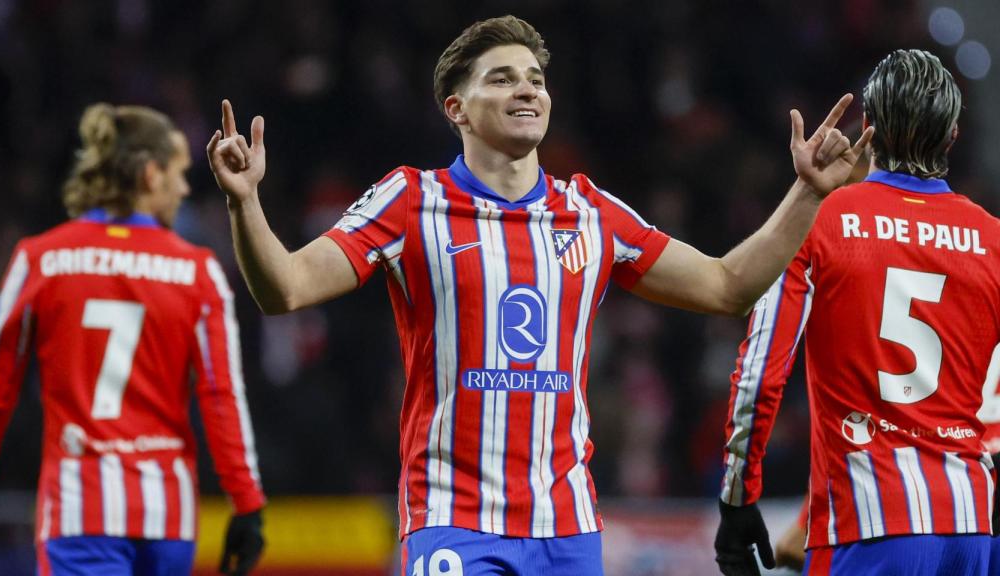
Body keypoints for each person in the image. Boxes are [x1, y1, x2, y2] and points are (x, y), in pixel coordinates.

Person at [207, 15, 869, 575]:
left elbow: (727, 286)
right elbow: (285, 289)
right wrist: (245, 207)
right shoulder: (412, 201)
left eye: (537, 79)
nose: (527, 88)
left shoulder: (590, 212)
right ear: (456, 108)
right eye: (502, 77)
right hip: (453, 521)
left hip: (567, 528)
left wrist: (808, 191)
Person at [716, 49, 999, 575]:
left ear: (867, 126)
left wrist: (737, 496)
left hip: (867, 524)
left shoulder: (819, 220)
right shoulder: (993, 239)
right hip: (972, 526)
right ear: (953, 135)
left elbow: (761, 372)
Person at [0, 104, 266, 575]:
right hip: (167, 517)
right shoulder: (198, 272)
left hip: (79, 509)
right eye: (178, 173)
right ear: (150, 175)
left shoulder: (40, 260)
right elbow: (221, 395)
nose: (185, 188)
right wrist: (247, 502)